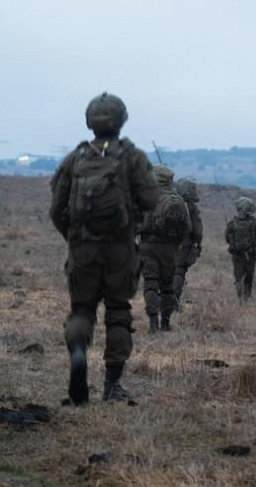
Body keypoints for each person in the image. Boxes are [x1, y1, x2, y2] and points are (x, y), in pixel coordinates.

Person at [49, 92, 159, 405]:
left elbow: (57, 209)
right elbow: (152, 199)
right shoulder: (132, 156)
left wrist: (74, 236)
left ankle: (79, 352)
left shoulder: (76, 158)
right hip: (120, 249)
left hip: (82, 247)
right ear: (121, 120)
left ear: (90, 121)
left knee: (82, 309)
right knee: (118, 311)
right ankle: (112, 384)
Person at [139, 165, 191, 332]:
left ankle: (153, 322)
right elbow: (187, 227)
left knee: (151, 283)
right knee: (167, 285)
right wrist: (177, 243)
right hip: (170, 248)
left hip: (147, 247)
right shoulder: (179, 200)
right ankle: (166, 323)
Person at [225, 196, 256, 302]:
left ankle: (239, 293)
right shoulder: (255, 223)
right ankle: (245, 298)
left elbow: (227, 239)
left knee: (238, 275)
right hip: (250, 255)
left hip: (237, 254)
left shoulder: (232, 223)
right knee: (249, 276)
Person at [172, 178, 203, 311]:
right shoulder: (190, 207)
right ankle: (174, 302)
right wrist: (197, 244)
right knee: (179, 271)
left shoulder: (168, 202)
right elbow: (197, 230)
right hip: (185, 244)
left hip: (167, 243)